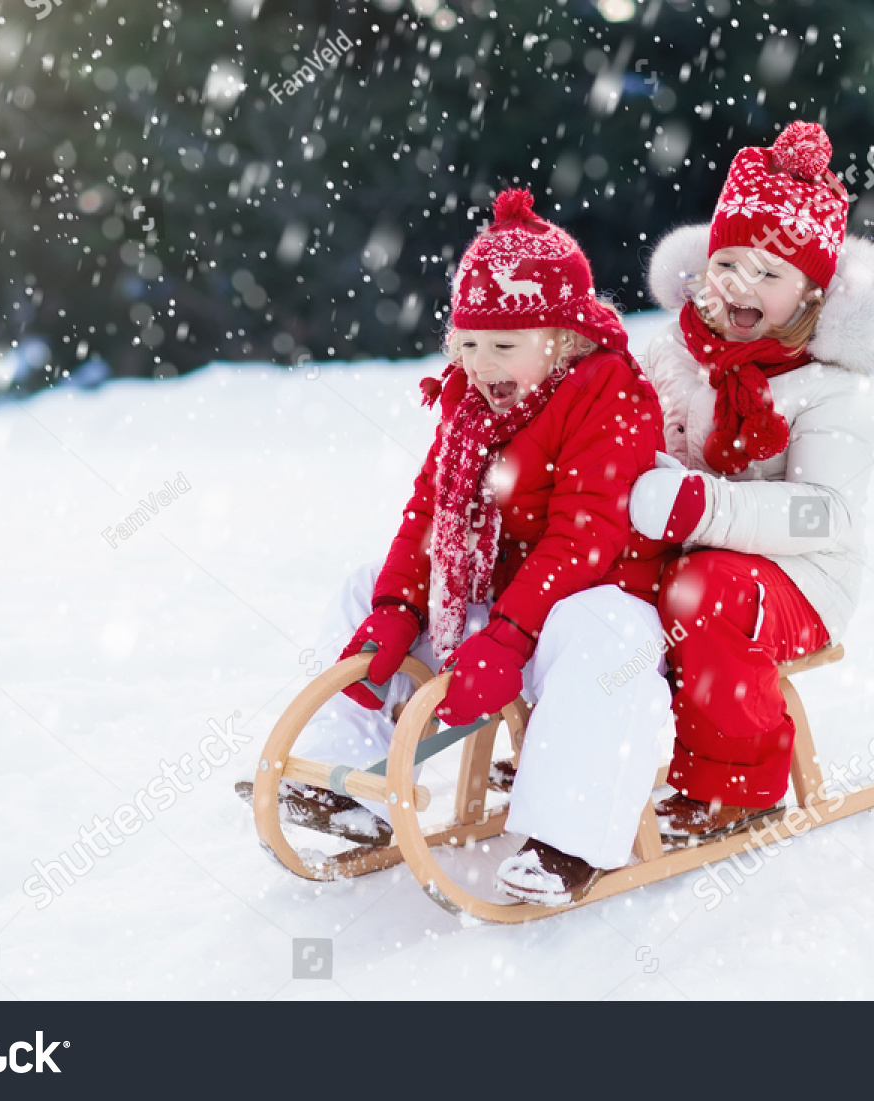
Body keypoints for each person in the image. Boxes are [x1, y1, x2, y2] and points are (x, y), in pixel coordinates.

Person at [254, 188, 675, 905]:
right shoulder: (471, 404)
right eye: (467, 343)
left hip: (587, 605)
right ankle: (342, 780)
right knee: (367, 584)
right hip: (499, 613)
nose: (479, 364)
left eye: (503, 346)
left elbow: (587, 535)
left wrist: (511, 635)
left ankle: (566, 839)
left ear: (564, 337)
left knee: (607, 633)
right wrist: (396, 605)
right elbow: (428, 515)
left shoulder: (608, 392)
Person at [628, 120, 874, 838]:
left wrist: (700, 504)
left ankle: (735, 784)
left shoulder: (832, 389)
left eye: (770, 273)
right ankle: (585, 740)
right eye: (730, 262)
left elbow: (824, 514)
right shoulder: (675, 351)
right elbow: (642, 439)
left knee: (707, 590)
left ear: (812, 294)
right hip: (689, 546)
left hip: (801, 579)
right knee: (595, 575)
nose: (741, 285)